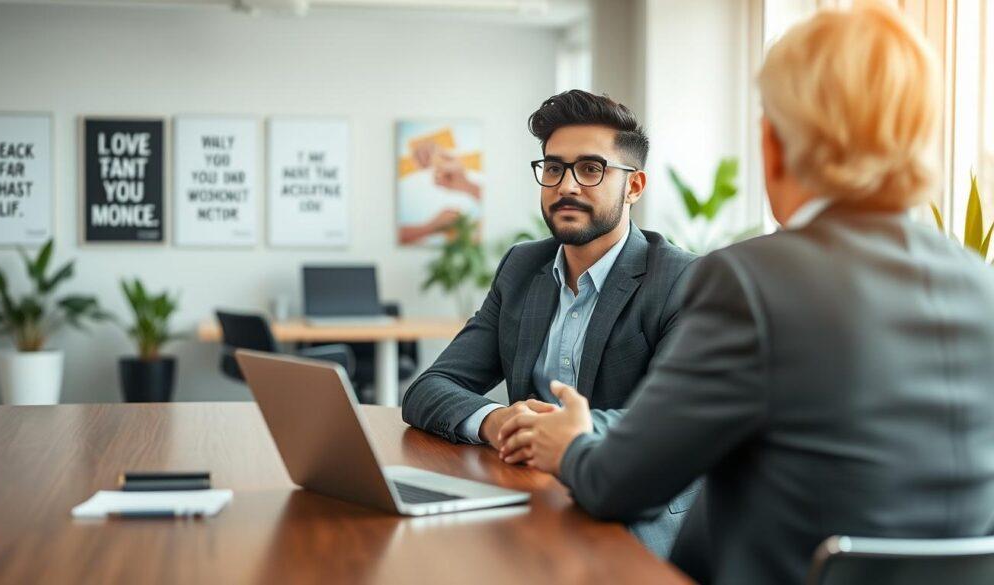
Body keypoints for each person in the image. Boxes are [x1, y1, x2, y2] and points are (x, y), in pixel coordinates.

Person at [499, 3, 994, 584]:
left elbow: (621, 485)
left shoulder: (753, 282)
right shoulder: (978, 283)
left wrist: (571, 442)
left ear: (776, 144)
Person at [401, 89, 699, 556]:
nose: (567, 186)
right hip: (527, 505)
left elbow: (667, 423)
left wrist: (551, 431)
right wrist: (496, 420)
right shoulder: (523, 267)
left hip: (631, 521)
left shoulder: (680, 279)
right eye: (554, 168)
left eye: (591, 168)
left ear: (635, 186)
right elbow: (429, 387)